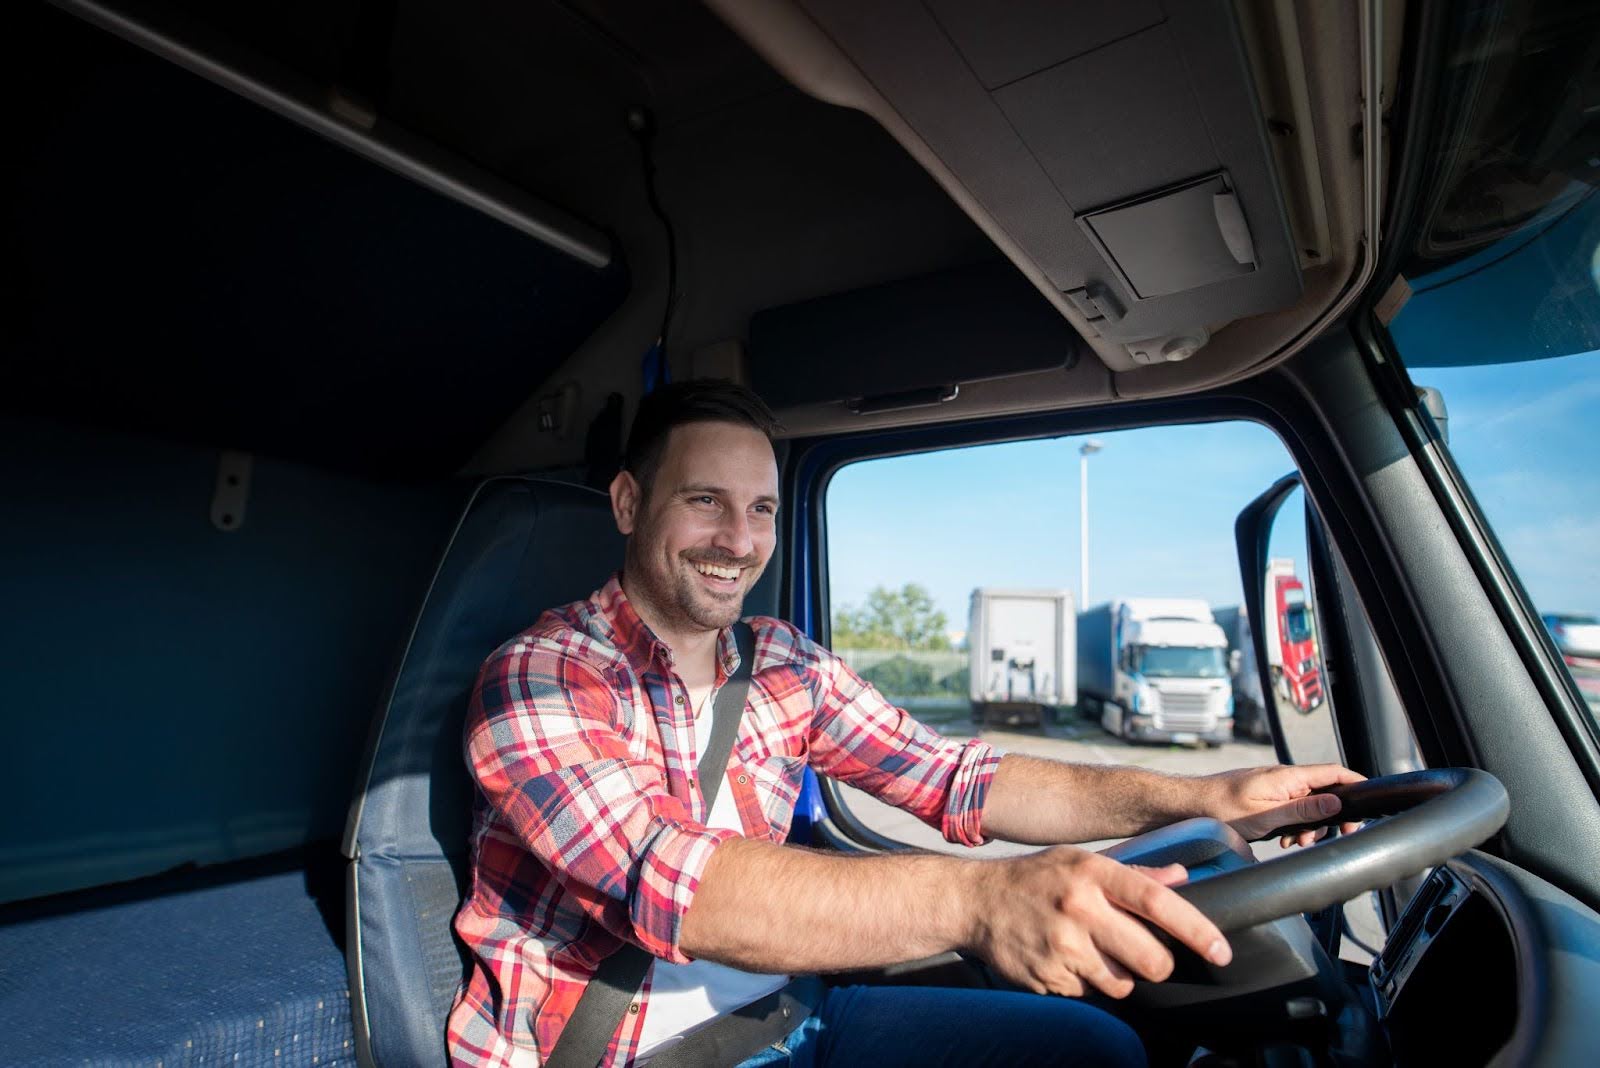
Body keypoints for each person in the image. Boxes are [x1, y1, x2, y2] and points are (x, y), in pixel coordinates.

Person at [446, 379, 1362, 1067]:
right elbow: (680, 887)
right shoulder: (539, 677)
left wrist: (1204, 797)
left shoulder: (782, 663)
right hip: (624, 1052)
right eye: (704, 501)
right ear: (628, 504)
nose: (740, 539)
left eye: (762, 508)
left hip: (791, 1012)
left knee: (1094, 1051)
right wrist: (980, 901)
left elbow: (959, 779)